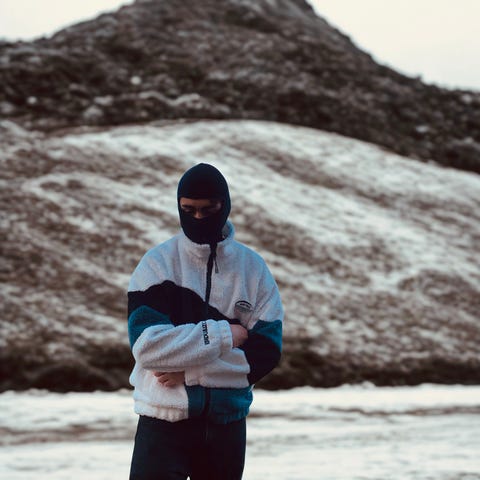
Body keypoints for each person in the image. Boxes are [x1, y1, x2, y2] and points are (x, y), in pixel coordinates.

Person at [127, 163, 283, 479]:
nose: (198, 218)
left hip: (226, 424)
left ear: (225, 205)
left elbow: (265, 353)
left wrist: (189, 371)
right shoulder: (157, 265)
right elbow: (148, 349)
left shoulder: (253, 269)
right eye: (188, 210)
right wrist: (227, 335)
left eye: (208, 210)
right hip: (162, 421)